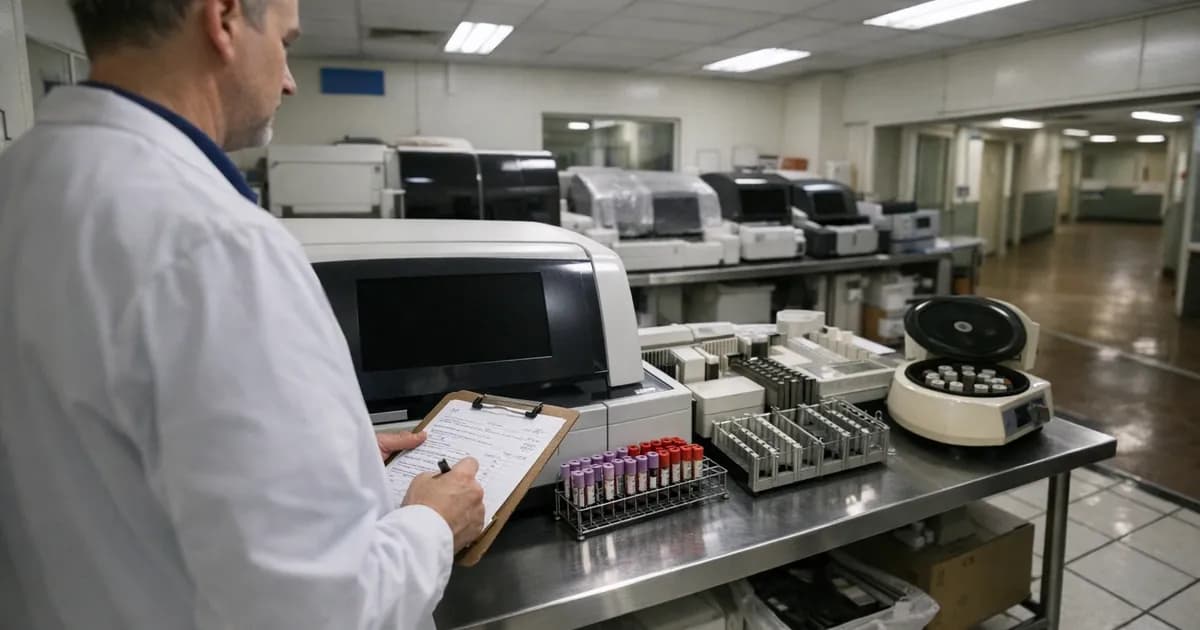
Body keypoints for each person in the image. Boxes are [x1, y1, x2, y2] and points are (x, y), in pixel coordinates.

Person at [0, 0, 485, 628]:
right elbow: (317, 612)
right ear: (224, 19)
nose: (287, 79)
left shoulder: (20, 183)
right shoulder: (219, 244)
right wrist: (433, 524)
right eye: (285, 41)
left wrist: (328, 454)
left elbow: (94, 450)